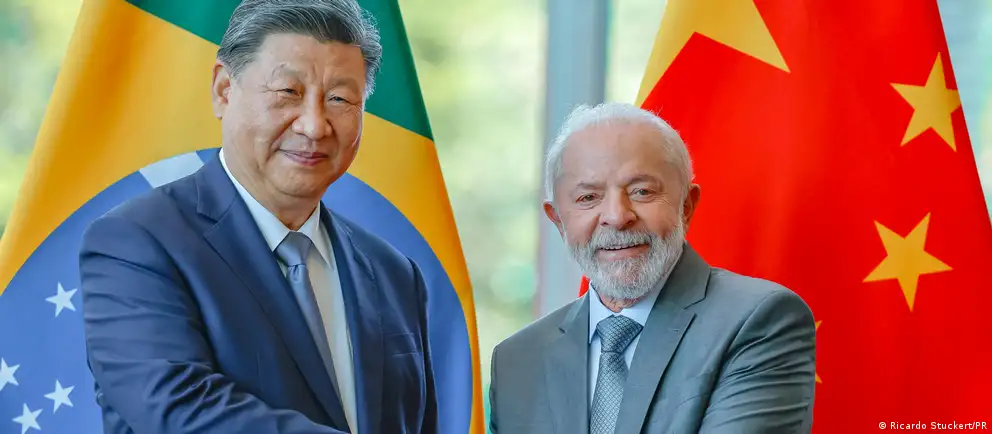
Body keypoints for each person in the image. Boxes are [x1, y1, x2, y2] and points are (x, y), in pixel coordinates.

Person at [78, 1, 437, 433]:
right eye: (288, 92)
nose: (314, 126)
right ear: (223, 90)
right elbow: (179, 410)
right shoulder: (137, 243)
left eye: (339, 99)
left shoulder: (394, 273)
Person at [488, 102, 817, 433]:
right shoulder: (518, 361)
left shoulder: (758, 321)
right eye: (588, 198)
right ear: (558, 221)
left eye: (641, 191)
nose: (617, 216)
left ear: (686, 206)